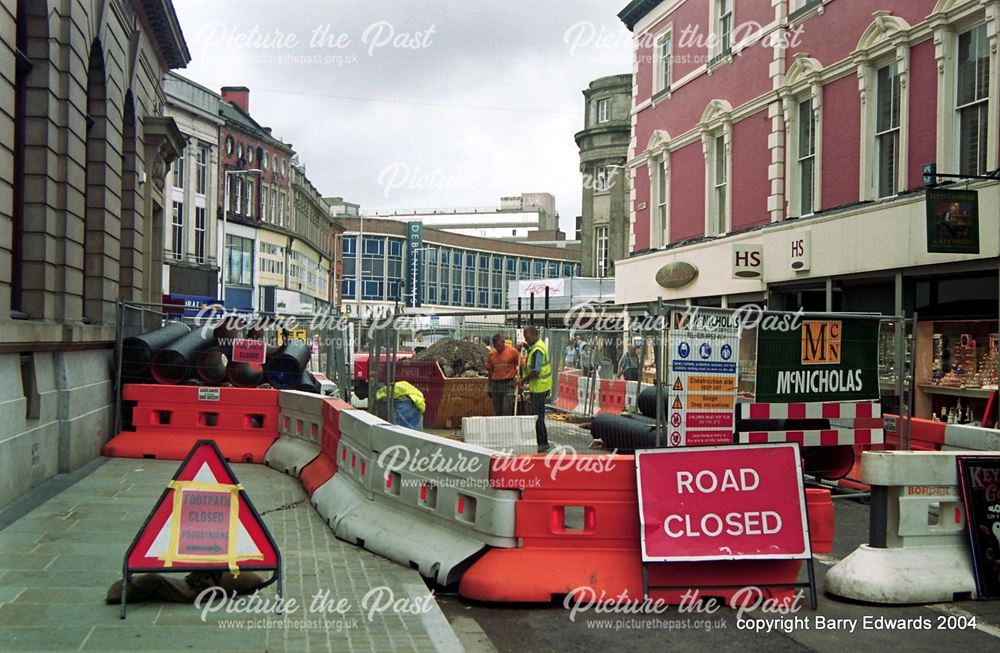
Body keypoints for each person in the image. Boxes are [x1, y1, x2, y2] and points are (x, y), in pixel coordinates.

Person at [521, 326, 552, 452]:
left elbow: (535, 371)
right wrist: (526, 347)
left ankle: (543, 442)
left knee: (538, 415)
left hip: (540, 387)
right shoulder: (537, 346)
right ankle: (541, 440)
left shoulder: (538, 349)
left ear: (534, 335)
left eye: (527, 337)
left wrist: (523, 380)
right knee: (538, 414)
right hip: (540, 386)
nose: (526, 340)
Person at [486, 333, 519, 416]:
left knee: (506, 409)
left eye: (499, 346)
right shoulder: (492, 354)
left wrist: (520, 381)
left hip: (508, 384)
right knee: (498, 410)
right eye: (496, 346)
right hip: (495, 384)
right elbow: (490, 371)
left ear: (503, 342)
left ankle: (507, 427)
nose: (498, 348)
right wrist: (489, 386)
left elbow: (519, 366)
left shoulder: (513, 352)